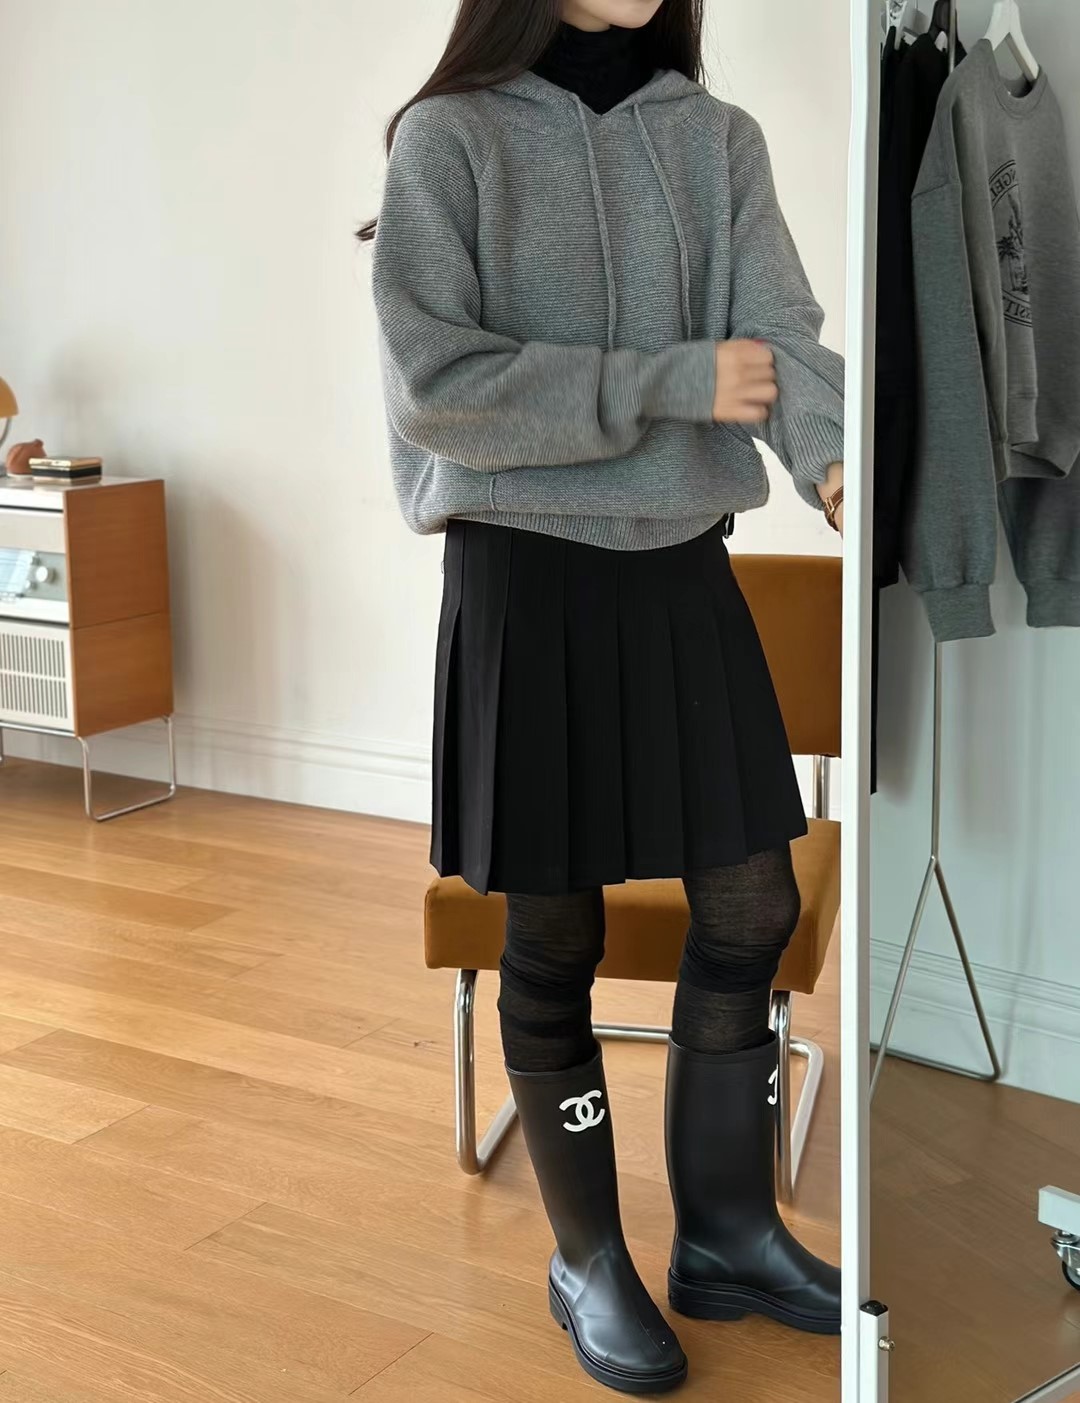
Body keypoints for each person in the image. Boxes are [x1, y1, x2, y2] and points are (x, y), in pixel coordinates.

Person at [366, 0, 845, 1391]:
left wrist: (830, 460)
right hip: (525, 573)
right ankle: (587, 1259)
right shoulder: (449, 139)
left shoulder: (717, 140)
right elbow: (435, 386)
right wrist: (667, 383)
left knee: (752, 902)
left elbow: (780, 336)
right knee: (554, 927)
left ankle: (728, 1233)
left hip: (682, 564)